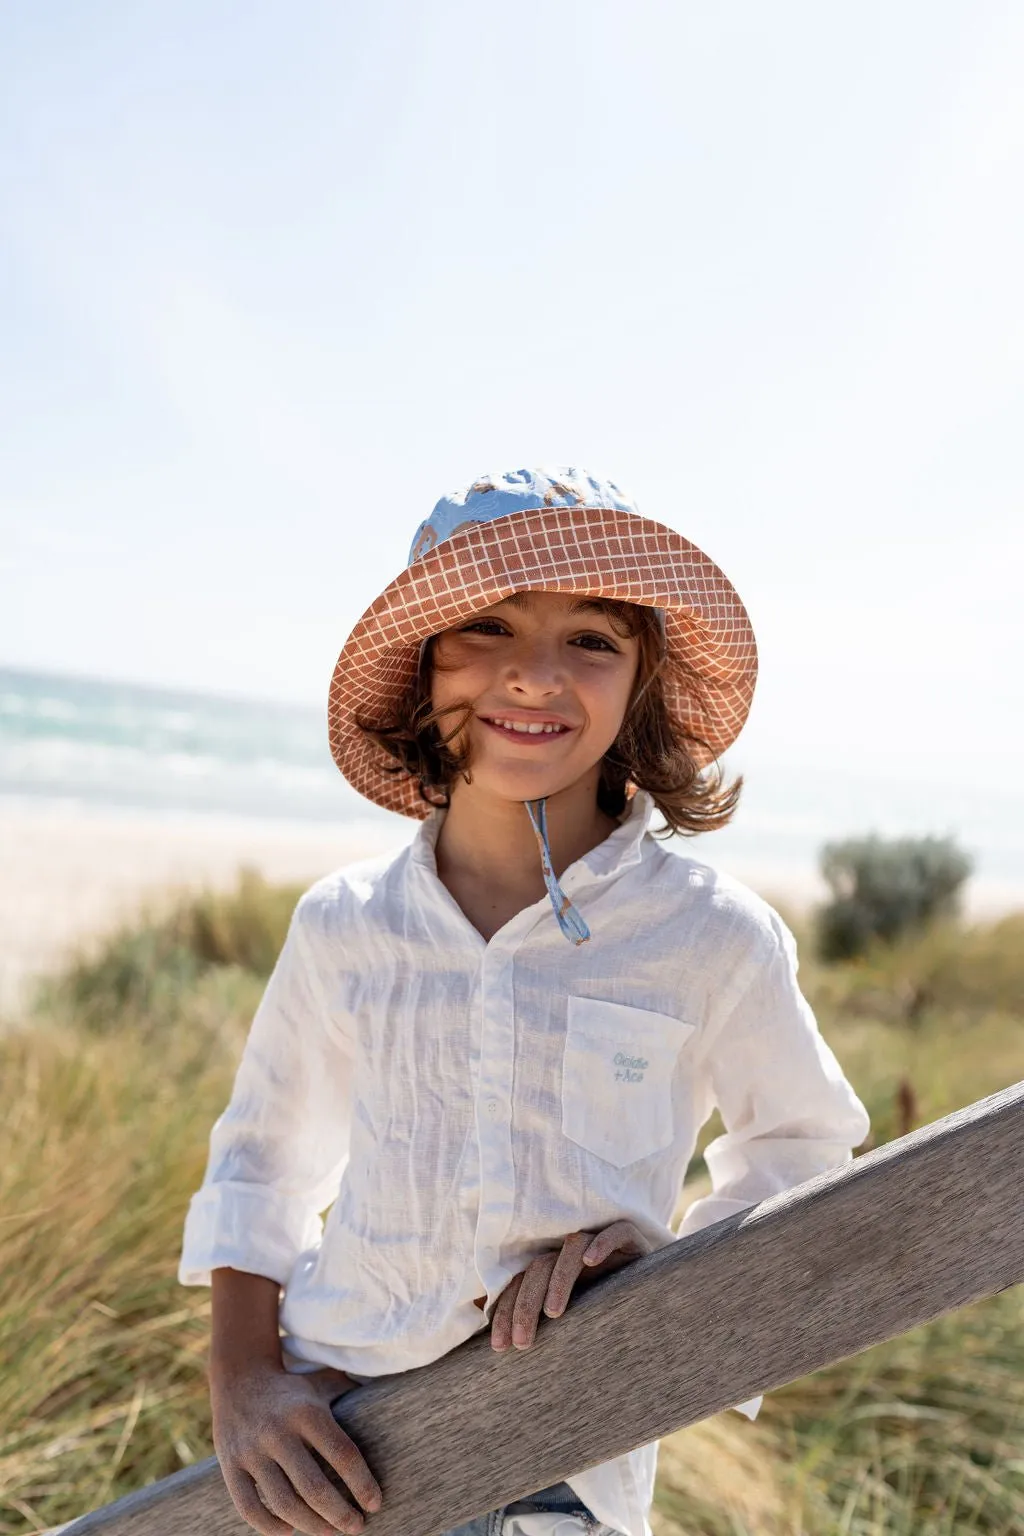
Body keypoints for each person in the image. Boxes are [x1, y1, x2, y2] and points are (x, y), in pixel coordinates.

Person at [178, 466, 870, 1536]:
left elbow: (806, 1145)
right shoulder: (345, 923)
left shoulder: (711, 935)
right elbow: (262, 1162)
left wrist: (679, 1269)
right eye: (488, 628)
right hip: (337, 1438)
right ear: (420, 673)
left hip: (566, 1467)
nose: (536, 677)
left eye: (592, 639)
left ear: (640, 680)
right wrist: (243, 1385)